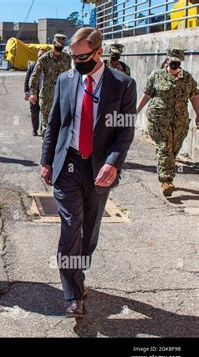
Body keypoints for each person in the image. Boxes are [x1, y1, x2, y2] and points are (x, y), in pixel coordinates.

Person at [40, 27, 136, 317]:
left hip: (99, 168)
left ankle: (77, 275)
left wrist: (113, 162)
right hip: (67, 163)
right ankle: (72, 294)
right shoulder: (65, 80)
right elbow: (54, 123)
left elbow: (125, 130)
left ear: (98, 52)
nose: (76, 61)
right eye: (73, 56)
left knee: (89, 234)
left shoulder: (122, 84)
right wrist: (46, 161)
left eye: (82, 56)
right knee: (70, 228)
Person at [137, 48, 199, 196]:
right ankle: (166, 181)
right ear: (167, 61)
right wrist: (136, 110)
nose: (174, 66)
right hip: (159, 119)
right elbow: (147, 94)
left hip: (180, 121)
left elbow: (194, 97)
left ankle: (168, 175)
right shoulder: (157, 75)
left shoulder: (187, 78)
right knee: (164, 146)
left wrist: (198, 114)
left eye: (177, 63)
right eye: (172, 63)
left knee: (173, 149)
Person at [29, 34, 71, 138]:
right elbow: (34, 76)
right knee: (46, 125)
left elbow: (71, 76)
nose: (59, 47)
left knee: (61, 124)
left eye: (62, 45)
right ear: (53, 43)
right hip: (47, 97)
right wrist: (33, 93)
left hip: (63, 96)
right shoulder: (44, 59)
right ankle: (46, 148)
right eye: (58, 45)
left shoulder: (67, 58)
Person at [24, 48, 48, 136]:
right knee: (34, 112)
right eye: (39, 55)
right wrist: (27, 92)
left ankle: (44, 130)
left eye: (42, 55)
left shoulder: (48, 67)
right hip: (34, 93)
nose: (40, 57)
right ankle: (35, 129)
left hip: (45, 94)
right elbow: (27, 80)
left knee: (45, 113)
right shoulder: (32, 66)